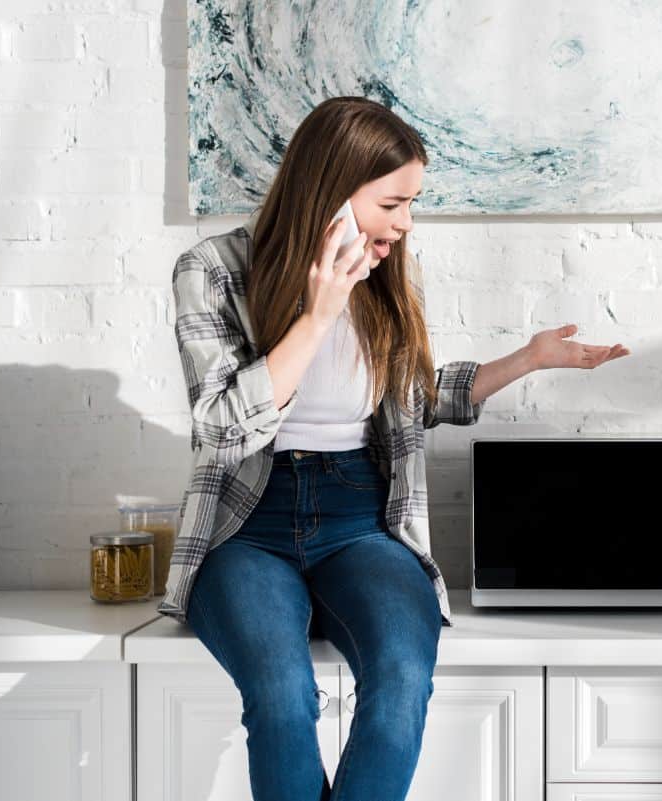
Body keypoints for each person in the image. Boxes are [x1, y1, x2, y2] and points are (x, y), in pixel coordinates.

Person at [159, 95, 630, 801]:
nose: (406, 223)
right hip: (245, 525)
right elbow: (223, 428)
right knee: (283, 697)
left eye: (412, 203)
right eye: (393, 203)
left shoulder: (384, 278)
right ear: (333, 193)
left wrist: (526, 360)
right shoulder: (213, 269)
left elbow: (414, 399)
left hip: (361, 518)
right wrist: (318, 313)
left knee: (404, 678)